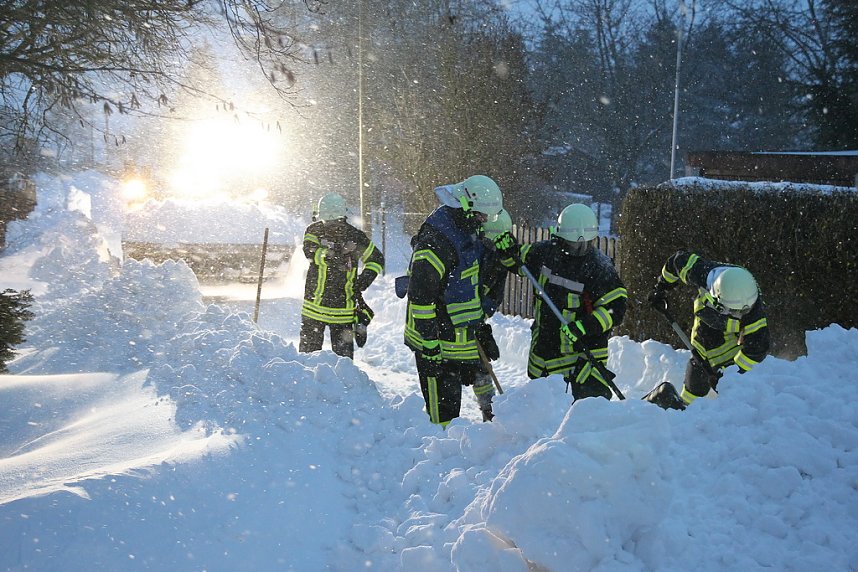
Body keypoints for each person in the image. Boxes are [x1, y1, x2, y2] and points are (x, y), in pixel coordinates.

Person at [404, 175, 504, 427]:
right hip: (435, 339)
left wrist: (479, 327)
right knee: (444, 418)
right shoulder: (438, 241)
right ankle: (441, 459)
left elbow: (465, 287)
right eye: (482, 215)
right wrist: (430, 347)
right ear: (466, 206)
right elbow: (421, 299)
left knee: (469, 390)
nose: (484, 222)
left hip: (458, 336)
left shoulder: (465, 230)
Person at [513, 203, 627, 401]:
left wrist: (584, 326)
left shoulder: (600, 267)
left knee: (583, 422)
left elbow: (615, 310)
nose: (579, 248)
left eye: (584, 243)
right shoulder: (544, 253)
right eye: (573, 243)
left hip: (582, 363)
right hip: (543, 355)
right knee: (541, 418)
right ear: (560, 236)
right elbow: (516, 260)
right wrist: (507, 248)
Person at [647, 252, 770, 407]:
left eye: (741, 312)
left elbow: (755, 352)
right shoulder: (702, 272)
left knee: (726, 374)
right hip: (706, 320)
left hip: (733, 338)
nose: (739, 315)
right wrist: (661, 286)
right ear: (717, 298)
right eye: (733, 311)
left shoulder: (753, 309)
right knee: (699, 361)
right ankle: (685, 409)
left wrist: (730, 375)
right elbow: (676, 261)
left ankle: (727, 410)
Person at [300, 192, 384, 358]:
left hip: (331, 311)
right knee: (342, 365)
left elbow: (376, 259)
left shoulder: (350, 235)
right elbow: (310, 252)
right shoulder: (317, 231)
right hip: (328, 311)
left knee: (309, 362)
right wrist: (338, 254)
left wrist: (362, 281)